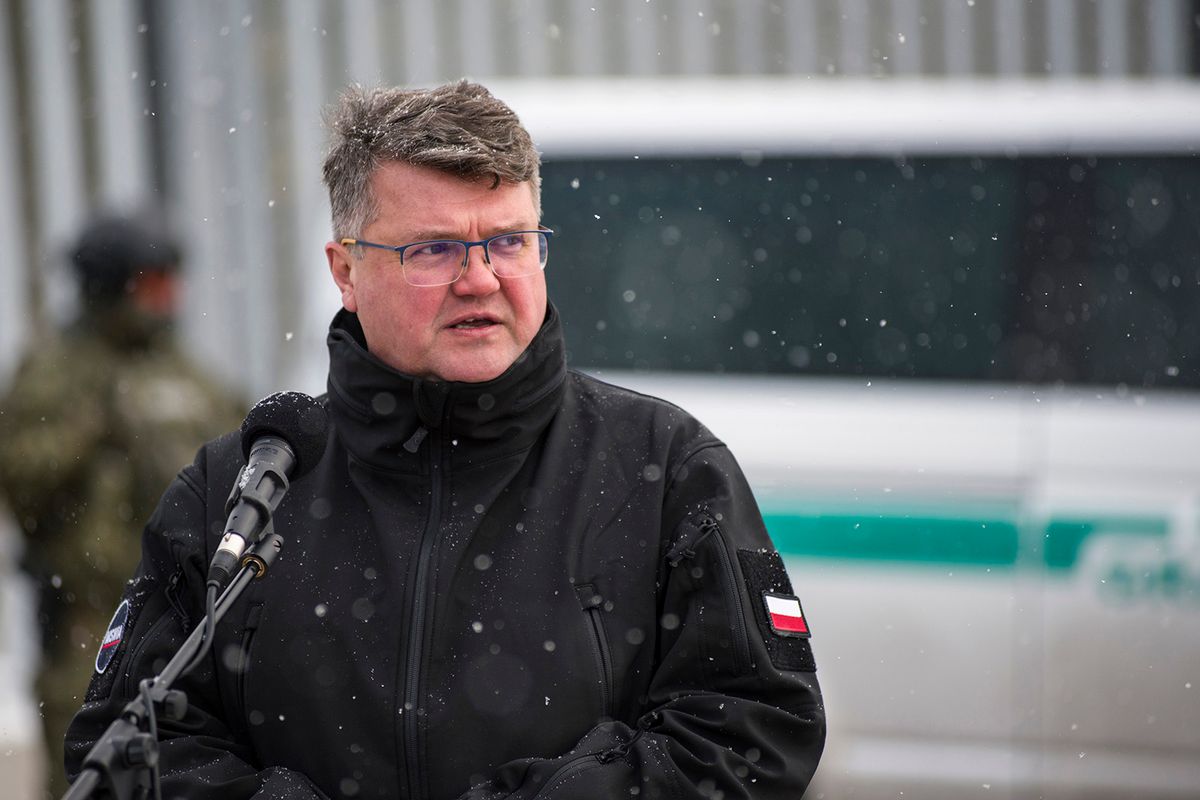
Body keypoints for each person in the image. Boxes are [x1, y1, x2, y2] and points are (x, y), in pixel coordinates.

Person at [65, 81, 826, 799]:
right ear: (346, 272)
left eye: (509, 241)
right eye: (433, 249)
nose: (482, 279)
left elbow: (754, 732)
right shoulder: (243, 484)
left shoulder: (662, 469)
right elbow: (130, 745)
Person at [0, 210, 244, 797]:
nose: (168, 299)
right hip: (88, 619)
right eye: (152, 284)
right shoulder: (58, 371)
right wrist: (95, 426)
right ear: (112, 286)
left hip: (186, 616)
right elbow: (21, 479)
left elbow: (241, 449)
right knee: (89, 768)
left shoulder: (185, 372)